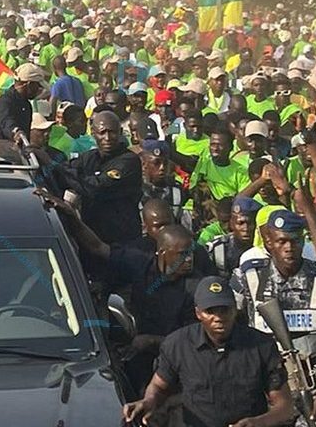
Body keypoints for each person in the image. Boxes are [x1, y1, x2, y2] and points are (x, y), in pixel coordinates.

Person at [43, 189, 215, 395]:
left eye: (190, 254)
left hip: (182, 366)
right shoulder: (140, 261)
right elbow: (98, 247)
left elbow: (198, 338)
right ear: (161, 252)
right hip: (142, 362)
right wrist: (71, 216)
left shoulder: (198, 288)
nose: (188, 260)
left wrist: (150, 340)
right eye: (182, 255)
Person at [122, 275, 295, 427]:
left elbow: (284, 407)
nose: (218, 318)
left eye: (224, 310)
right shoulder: (177, 345)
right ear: (198, 313)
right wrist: (148, 402)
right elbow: (159, 386)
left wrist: (258, 423)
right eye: (210, 311)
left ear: (235, 310)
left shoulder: (261, 346)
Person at [231, 208, 316, 418]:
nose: (288, 248)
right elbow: (228, 320)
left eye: (295, 241)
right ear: (268, 243)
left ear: (303, 242)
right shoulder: (247, 277)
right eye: (281, 241)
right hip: (260, 385)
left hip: (311, 382)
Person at [54, 110, 143, 244]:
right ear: (93, 133)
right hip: (91, 237)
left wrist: (62, 171)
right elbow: (62, 172)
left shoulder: (129, 161)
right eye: (102, 132)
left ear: (120, 132)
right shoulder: (89, 157)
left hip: (122, 240)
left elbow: (95, 187)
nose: (107, 138)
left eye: (112, 132)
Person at [0, 63, 47, 143]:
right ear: (29, 84)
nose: (39, 90)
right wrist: (16, 132)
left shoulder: (26, 105)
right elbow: (6, 122)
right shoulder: (4, 102)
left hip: (18, 152)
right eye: (38, 86)